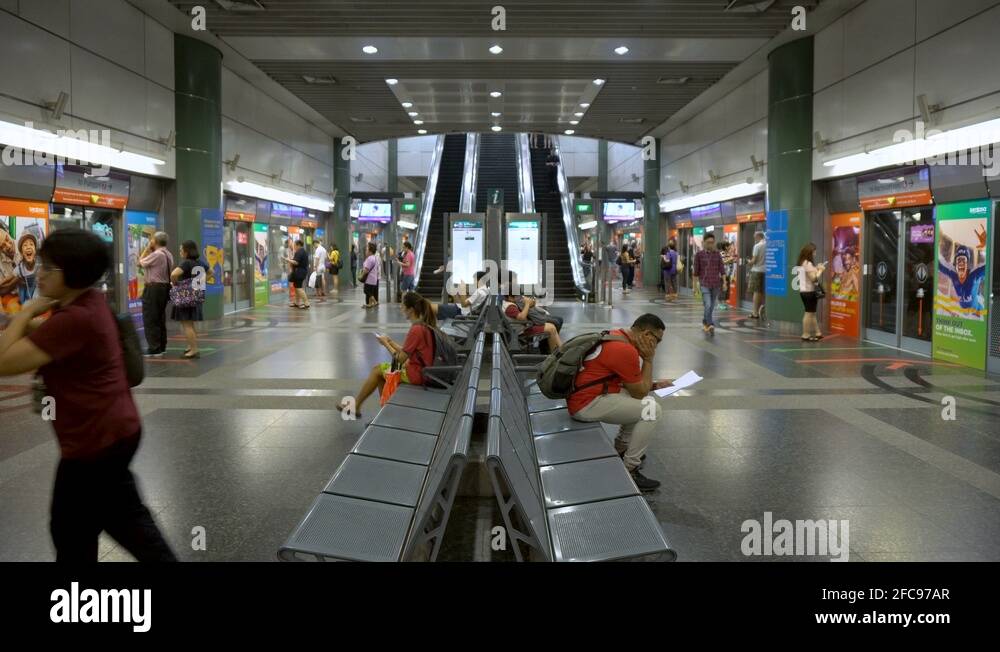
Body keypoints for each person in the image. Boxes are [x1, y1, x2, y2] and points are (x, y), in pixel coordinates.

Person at [0, 228, 176, 562]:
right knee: (103, 523)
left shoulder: (75, 319)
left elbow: (3, 362)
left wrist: (25, 312)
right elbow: (50, 335)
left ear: (67, 273)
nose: (40, 272)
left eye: (46, 267)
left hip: (95, 442)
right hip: (112, 432)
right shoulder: (90, 302)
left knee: (87, 528)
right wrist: (25, 321)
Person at [568, 313, 672, 491]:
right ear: (646, 334)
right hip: (586, 405)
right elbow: (638, 392)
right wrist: (648, 360)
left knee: (645, 402)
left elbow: (631, 385)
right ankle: (630, 468)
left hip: (586, 397)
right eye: (658, 340)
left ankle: (622, 448)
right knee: (652, 410)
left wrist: (654, 385)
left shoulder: (617, 335)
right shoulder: (625, 350)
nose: (657, 345)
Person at [336, 291, 441, 418]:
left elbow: (400, 360)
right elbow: (408, 352)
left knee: (377, 370)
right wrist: (390, 342)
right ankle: (383, 413)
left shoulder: (416, 329)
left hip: (417, 374)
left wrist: (385, 344)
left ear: (411, 309)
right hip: (422, 369)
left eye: (403, 305)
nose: (400, 308)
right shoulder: (424, 325)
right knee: (381, 375)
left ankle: (357, 406)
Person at [170, 240, 208, 358]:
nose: (180, 252)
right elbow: (211, 272)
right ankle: (191, 346)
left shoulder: (186, 263)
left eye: (182, 250)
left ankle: (194, 350)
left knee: (187, 324)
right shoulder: (200, 263)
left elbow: (174, 274)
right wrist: (200, 281)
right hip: (196, 297)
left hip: (185, 297)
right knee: (191, 324)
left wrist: (176, 284)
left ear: (187, 252)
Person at [138, 231, 173, 357]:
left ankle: (154, 347)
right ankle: (162, 346)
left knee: (150, 317)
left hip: (153, 288)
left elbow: (140, 262)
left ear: (155, 241)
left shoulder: (157, 254)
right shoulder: (168, 254)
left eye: (152, 240)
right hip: (163, 288)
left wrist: (147, 248)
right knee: (160, 317)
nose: (150, 241)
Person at [693, 232, 724, 334]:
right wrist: (695, 287)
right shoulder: (699, 255)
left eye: (712, 242)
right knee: (708, 304)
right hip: (704, 284)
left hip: (716, 284)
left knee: (711, 305)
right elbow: (696, 272)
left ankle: (705, 321)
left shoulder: (717, 254)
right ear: (703, 243)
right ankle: (710, 323)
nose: (710, 244)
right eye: (708, 242)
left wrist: (725, 283)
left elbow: (722, 269)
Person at [797, 242, 826, 342]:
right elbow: (814, 278)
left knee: (812, 313)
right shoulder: (807, 263)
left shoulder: (803, 262)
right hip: (809, 292)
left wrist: (817, 268)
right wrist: (821, 270)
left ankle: (818, 333)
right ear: (809, 252)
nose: (815, 253)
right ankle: (806, 334)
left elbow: (810, 274)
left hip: (805, 291)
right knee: (808, 313)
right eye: (814, 252)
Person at [283, 240, 310, 309]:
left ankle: (306, 303)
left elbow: (296, 262)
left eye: (294, 245)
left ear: (298, 245)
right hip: (301, 271)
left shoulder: (299, 252)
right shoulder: (303, 251)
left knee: (299, 288)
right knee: (297, 287)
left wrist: (287, 260)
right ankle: (297, 302)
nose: (294, 246)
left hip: (299, 272)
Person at [748, 231, 766, 318]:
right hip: (766, 271)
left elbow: (754, 260)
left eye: (755, 237)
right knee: (762, 291)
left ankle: (755, 312)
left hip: (757, 271)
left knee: (756, 292)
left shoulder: (757, 246)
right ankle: (762, 308)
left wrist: (749, 262)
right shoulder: (768, 245)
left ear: (758, 237)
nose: (754, 239)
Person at [360, 241, 380, 309]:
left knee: (367, 291)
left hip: (369, 279)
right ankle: (369, 304)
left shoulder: (369, 259)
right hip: (374, 279)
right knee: (370, 292)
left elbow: (366, 270)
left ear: (370, 251)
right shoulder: (374, 258)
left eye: (367, 249)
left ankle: (375, 302)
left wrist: (361, 276)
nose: (366, 251)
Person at [312, 238, 328, 302]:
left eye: (314, 245)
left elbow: (317, 259)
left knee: (318, 279)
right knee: (322, 279)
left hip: (319, 266)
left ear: (315, 243)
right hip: (323, 266)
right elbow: (326, 257)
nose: (314, 247)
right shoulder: (324, 249)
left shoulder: (318, 249)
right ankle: (323, 291)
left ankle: (319, 292)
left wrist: (315, 266)